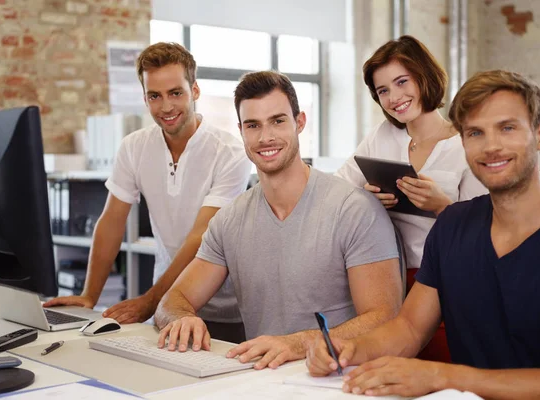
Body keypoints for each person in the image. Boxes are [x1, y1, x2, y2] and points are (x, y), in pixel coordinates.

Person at [306, 70, 540, 399]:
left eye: (507, 128)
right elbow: (410, 328)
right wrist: (350, 349)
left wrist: (441, 375)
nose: (491, 146)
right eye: (475, 133)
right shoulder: (452, 224)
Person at [154, 71, 403, 370]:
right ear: (241, 131)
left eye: (278, 121)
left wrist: (296, 344)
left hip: (341, 380)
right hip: (260, 380)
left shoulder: (354, 209)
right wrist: (182, 318)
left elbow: (385, 318)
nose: (265, 137)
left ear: (300, 123)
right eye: (253, 125)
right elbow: (173, 299)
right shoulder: (229, 221)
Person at [44, 42, 252, 343]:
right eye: (155, 96)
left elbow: (201, 236)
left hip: (224, 309)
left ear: (195, 91)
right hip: (168, 307)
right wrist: (89, 295)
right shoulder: (134, 147)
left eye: (175, 93)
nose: (166, 107)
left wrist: (150, 300)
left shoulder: (230, 152)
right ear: (145, 98)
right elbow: (111, 221)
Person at [335, 35, 487, 361]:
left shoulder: (465, 142)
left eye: (402, 82)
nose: (394, 97)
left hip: (449, 281)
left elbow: (488, 229)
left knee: (442, 369)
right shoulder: (381, 136)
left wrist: (443, 207)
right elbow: (338, 192)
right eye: (383, 90)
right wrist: (366, 198)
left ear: (424, 76)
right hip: (387, 279)